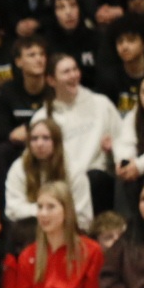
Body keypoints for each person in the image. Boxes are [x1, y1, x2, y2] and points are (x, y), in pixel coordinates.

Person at [45, 50, 122, 200]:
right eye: (66, 72)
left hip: (98, 179)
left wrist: (113, 148)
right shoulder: (43, 117)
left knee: (95, 178)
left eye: (75, 69)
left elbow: (123, 141)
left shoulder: (102, 104)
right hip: (62, 185)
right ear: (51, 80)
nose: (73, 75)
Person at [4, 118, 93, 230]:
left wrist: (48, 216)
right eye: (34, 139)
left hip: (67, 231)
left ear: (57, 142)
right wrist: (50, 212)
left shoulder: (74, 170)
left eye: (46, 138)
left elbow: (83, 217)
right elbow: (12, 210)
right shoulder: (19, 167)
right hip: (31, 229)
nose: (39, 144)